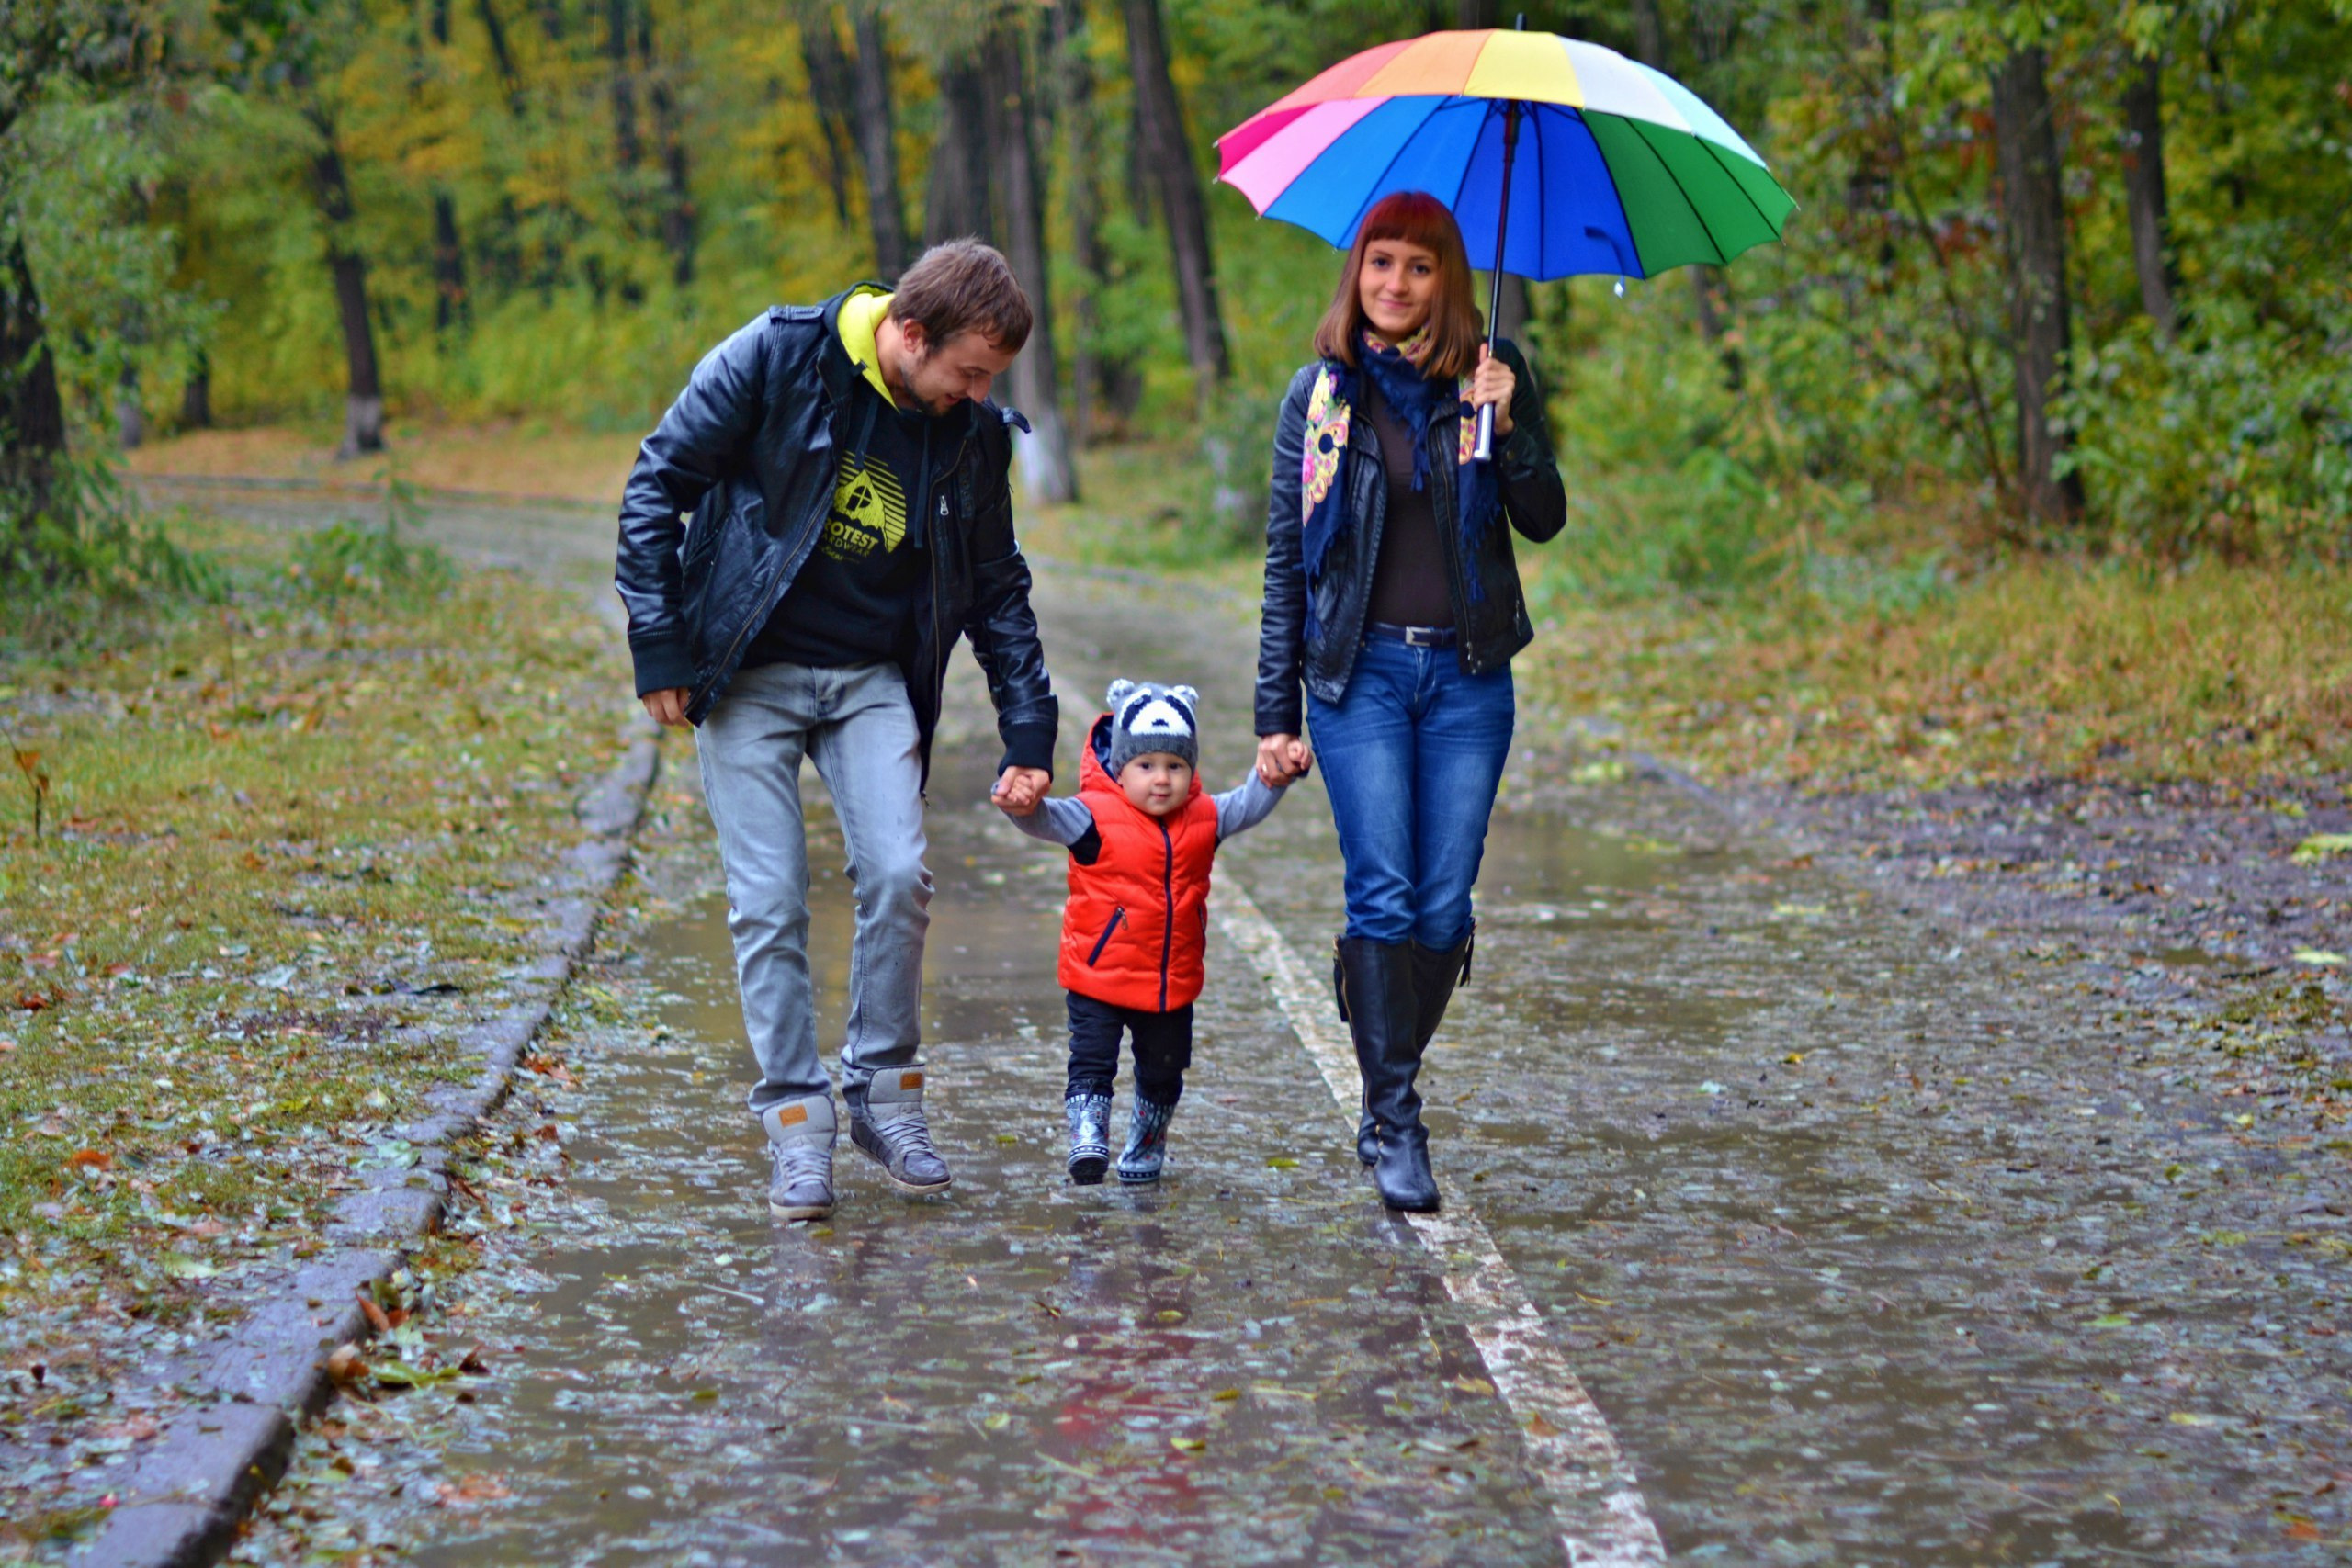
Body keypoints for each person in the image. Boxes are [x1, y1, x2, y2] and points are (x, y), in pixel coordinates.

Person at [615, 240, 1059, 1223]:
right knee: (768, 902)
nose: (978, 395)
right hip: (749, 671)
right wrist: (660, 647)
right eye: (969, 372)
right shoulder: (775, 359)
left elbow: (997, 588)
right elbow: (658, 484)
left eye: (991, 379)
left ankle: (882, 1096)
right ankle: (795, 1126)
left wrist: (1029, 729)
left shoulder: (970, 433)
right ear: (909, 333)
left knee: (899, 875)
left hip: (869, 679)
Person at [1251, 191, 1566, 1213]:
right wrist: (1274, 714)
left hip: (1472, 679)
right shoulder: (1320, 397)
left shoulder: (1494, 374)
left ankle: (1381, 1072)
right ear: (1358, 274)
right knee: (1382, 893)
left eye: (1418, 268)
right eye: (1379, 263)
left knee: (1441, 909)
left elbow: (1545, 519)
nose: (1395, 284)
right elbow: (1285, 566)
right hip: (1362, 678)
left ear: (1448, 281)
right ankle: (1394, 1116)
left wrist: (1507, 427)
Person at [1000, 681, 1288, 1184]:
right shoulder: (1092, 814)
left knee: (1164, 1068)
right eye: (1146, 765)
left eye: (1175, 765)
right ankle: (1088, 1133)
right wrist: (1021, 803)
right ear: (1120, 767)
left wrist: (1276, 776)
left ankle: (1149, 1136)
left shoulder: (1205, 816)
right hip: (1098, 975)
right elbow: (1042, 820)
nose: (1161, 779)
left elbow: (1249, 803)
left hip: (1169, 982)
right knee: (1091, 1059)